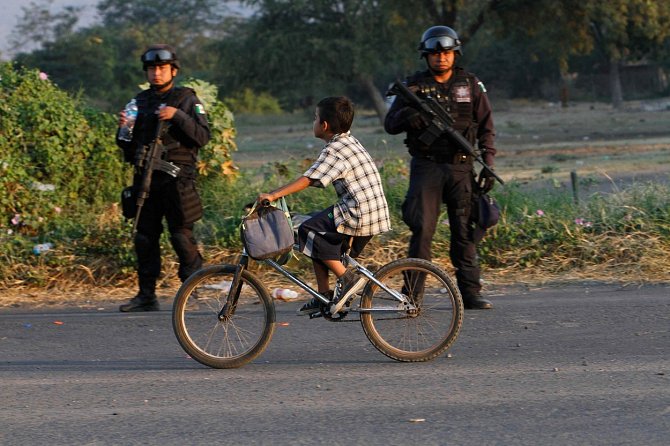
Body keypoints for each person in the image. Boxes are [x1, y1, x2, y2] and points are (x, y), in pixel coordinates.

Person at [384, 26, 497, 310]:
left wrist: (488, 162)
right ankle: (412, 296)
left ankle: (470, 293)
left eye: (446, 53)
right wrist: (411, 115)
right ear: (426, 56)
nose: (440, 58)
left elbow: (486, 127)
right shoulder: (414, 86)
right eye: (434, 53)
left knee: (464, 231)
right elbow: (390, 124)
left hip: (462, 168)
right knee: (422, 231)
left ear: (455, 54)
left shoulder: (470, 84)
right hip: (427, 168)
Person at [258, 96, 391, 315]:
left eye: (315, 118)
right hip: (373, 212)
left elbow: (310, 179)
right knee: (316, 237)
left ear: (324, 125)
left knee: (308, 229)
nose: (314, 122)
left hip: (359, 212)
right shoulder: (348, 141)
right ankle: (324, 296)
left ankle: (348, 279)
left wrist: (273, 194)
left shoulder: (335, 149)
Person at [116, 44, 211, 312]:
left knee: (181, 236)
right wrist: (124, 128)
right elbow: (126, 144)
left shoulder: (187, 99)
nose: (156, 73)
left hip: (177, 181)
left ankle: (192, 292)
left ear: (173, 70)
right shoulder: (139, 102)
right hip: (147, 180)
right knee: (144, 238)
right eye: (152, 69)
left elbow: (203, 137)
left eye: (162, 68)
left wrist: (178, 116)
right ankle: (147, 296)